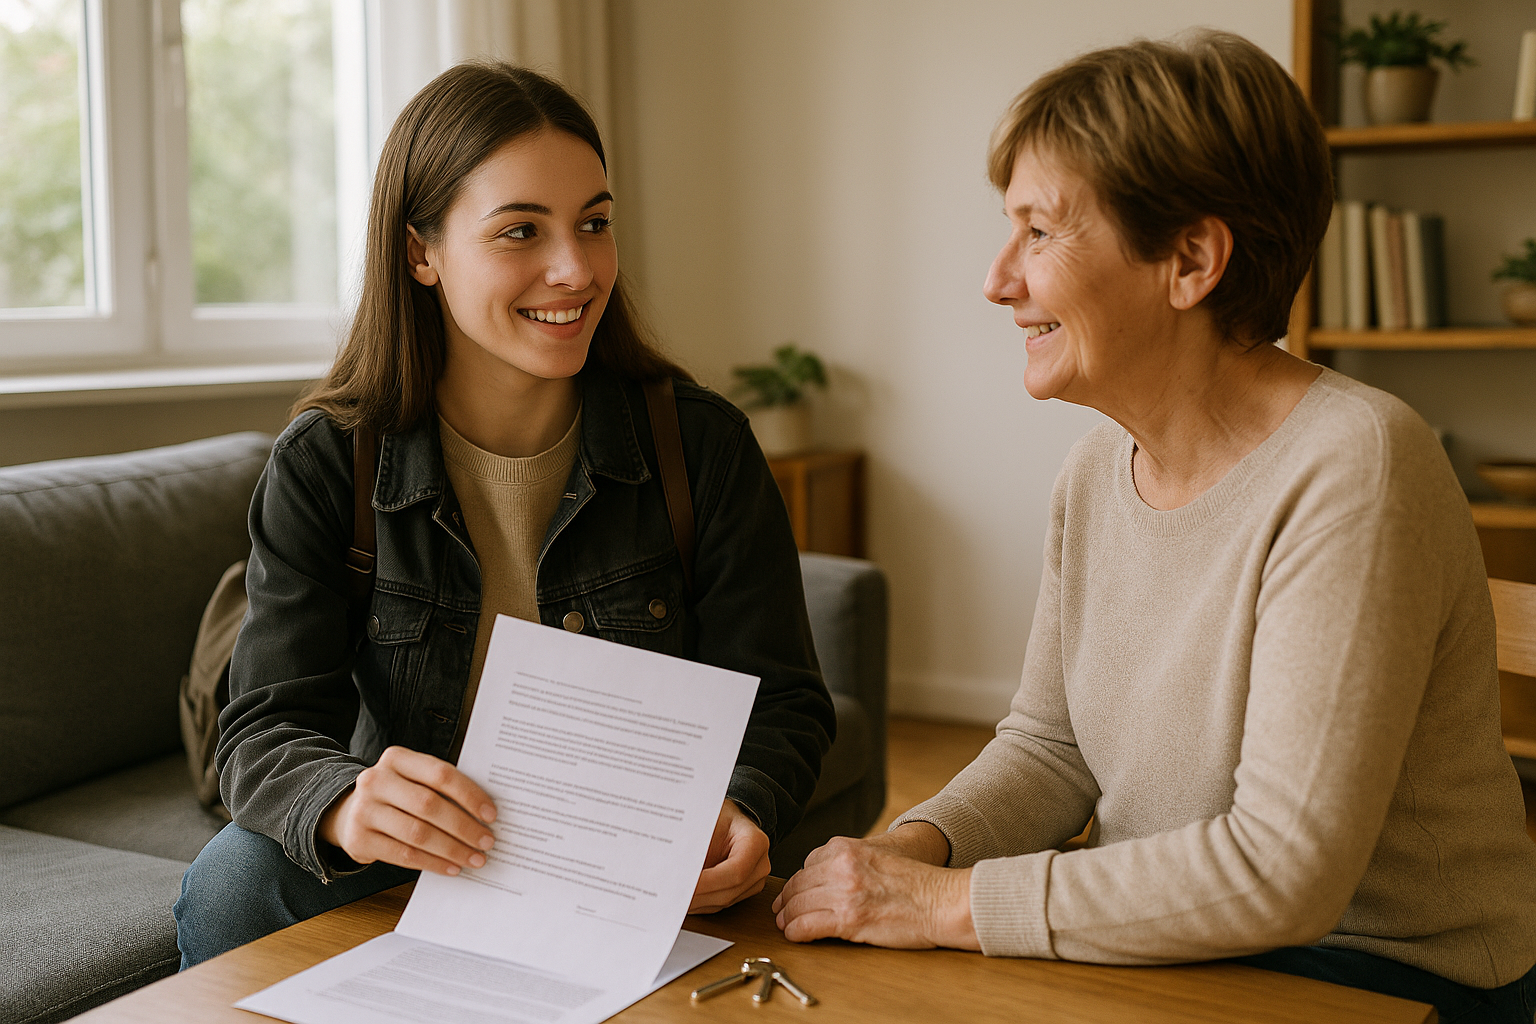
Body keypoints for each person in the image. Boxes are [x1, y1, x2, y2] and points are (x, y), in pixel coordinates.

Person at [772, 31, 1536, 1022]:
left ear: (1190, 259)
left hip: (1380, 977)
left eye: (1040, 232)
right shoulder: (1095, 469)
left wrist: (943, 902)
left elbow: (1282, 872)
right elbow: (1052, 747)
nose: (998, 280)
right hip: (1178, 951)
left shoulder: (1356, 463)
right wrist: (913, 848)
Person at [174, 61, 835, 968]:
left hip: (632, 847)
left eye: (594, 224)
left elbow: (787, 700)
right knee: (230, 886)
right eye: (521, 230)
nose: (575, 269)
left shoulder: (700, 445)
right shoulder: (329, 459)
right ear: (422, 253)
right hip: (427, 846)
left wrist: (745, 802)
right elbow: (262, 727)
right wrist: (344, 801)